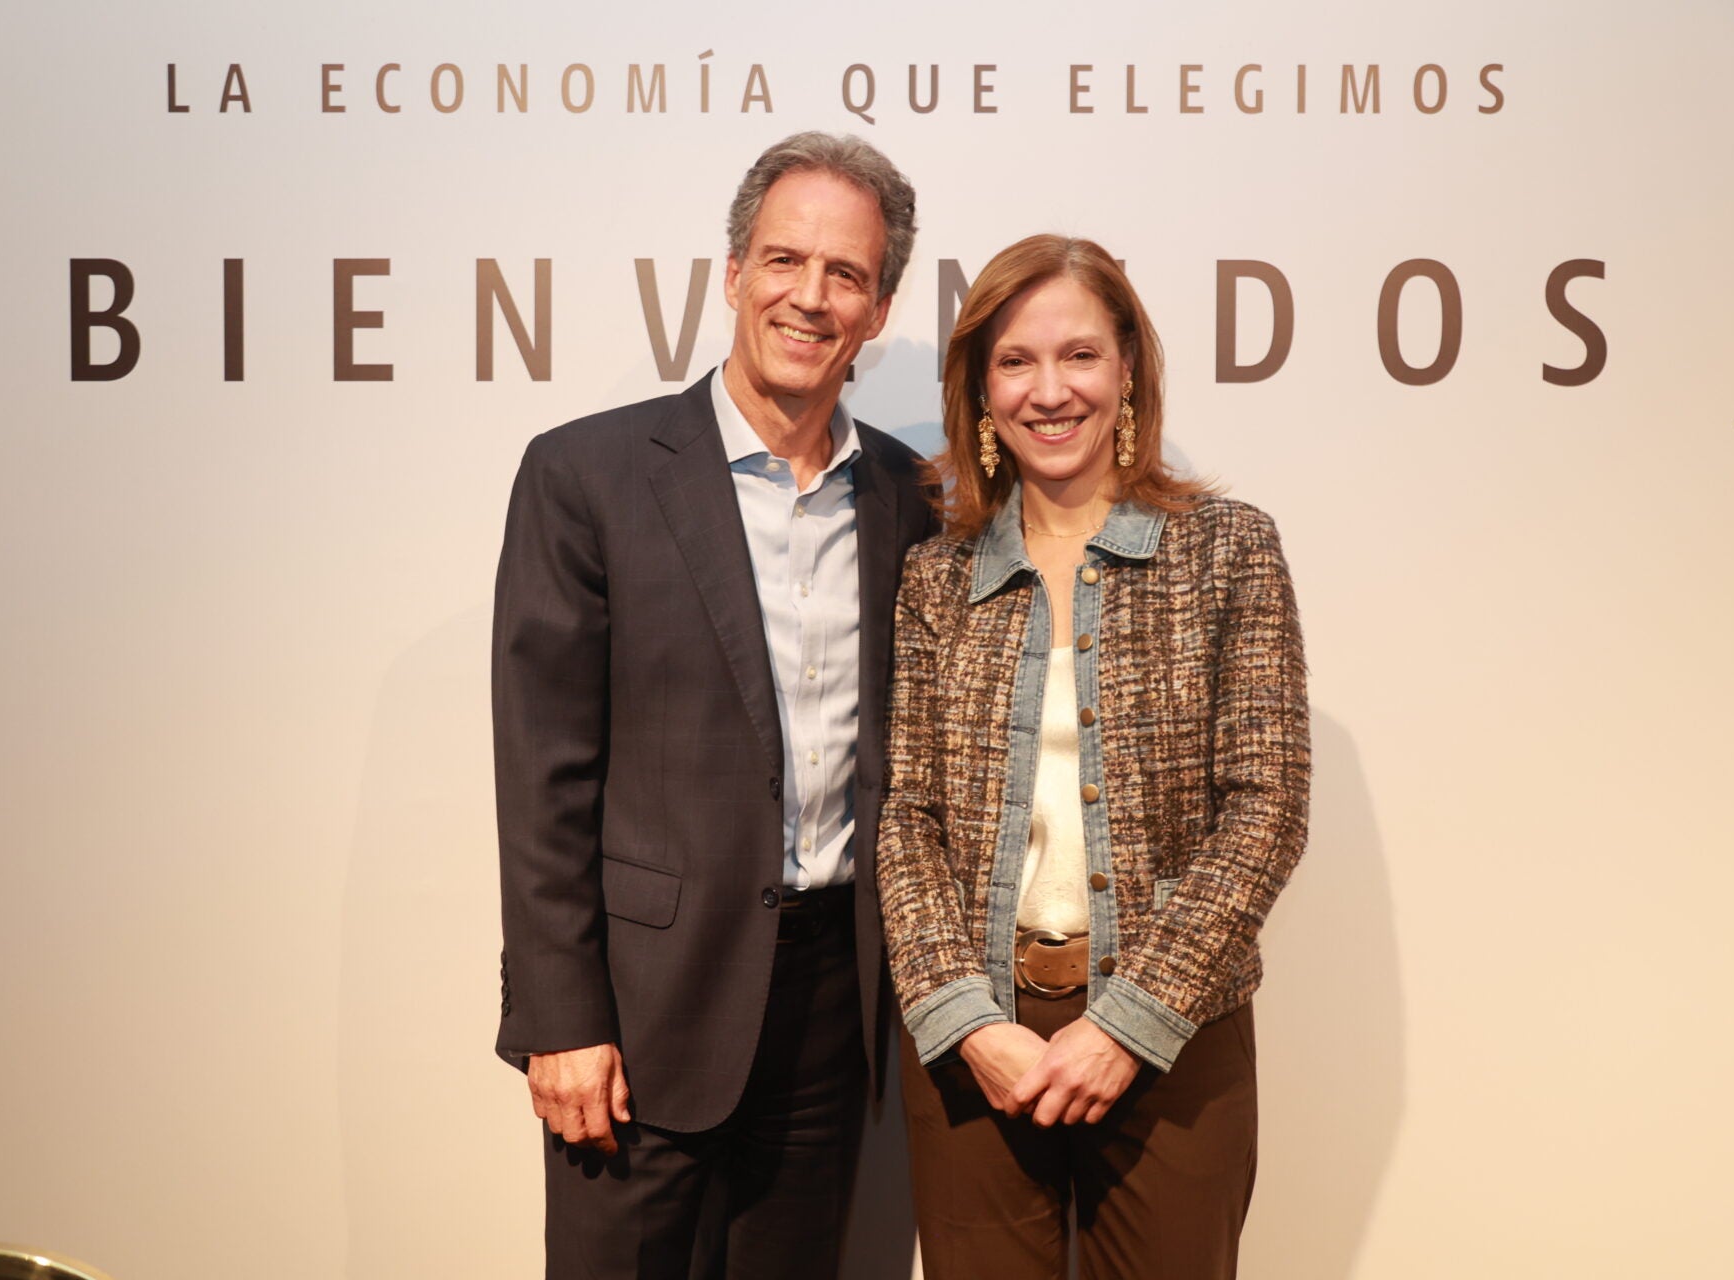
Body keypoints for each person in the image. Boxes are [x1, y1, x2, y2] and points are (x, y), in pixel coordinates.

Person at [491, 133, 936, 1278]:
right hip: (638, 1019)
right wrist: (561, 1016)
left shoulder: (906, 496)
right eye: (785, 259)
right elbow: (544, 776)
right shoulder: (586, 475)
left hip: (833, 1010)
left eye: (846, 274)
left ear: (879, 307)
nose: (811, 295)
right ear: (732, 272)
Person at [878, 234, 1310, 1279]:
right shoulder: (938, 577)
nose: (1049, 389)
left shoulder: (1227, 547)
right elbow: (908, 814)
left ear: (1128, 371)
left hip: (1176, 1034)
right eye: (1015, 362)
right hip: (978, 1038)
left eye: (1079, 355)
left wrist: (1128, 1021)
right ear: (981, 390)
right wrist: (966, 1019)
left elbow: (1267, 805)